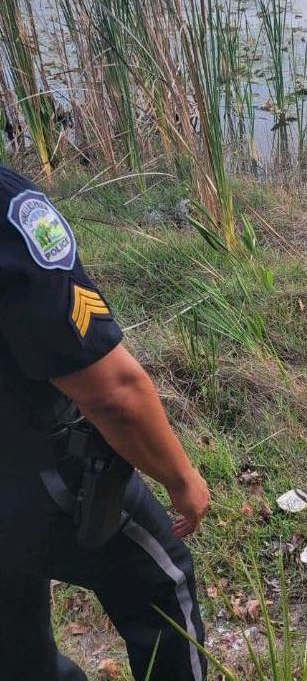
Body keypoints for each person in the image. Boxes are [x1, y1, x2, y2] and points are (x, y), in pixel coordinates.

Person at [0, 164, 210, 680]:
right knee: (164, 586)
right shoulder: (10, 208)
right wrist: (182, 479)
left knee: (12, 629)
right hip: (29, 471)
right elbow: (113, 391)